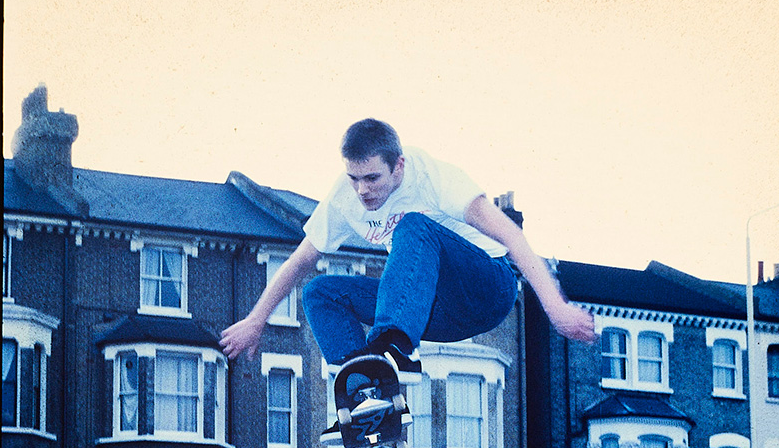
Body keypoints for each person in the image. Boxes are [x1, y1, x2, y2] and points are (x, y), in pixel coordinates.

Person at [219, 117, 595, 373]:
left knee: (413, 226)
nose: (363, 191)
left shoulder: (433, 177)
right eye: (354, 178)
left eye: (373, 178)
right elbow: (300, 260)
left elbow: (511, 236)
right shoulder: (344, 199)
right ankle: (366, 391)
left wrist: (556, 308)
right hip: (433, 311)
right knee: (320, 293)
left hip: (487, 289)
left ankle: (391, 346)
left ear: (398, 166)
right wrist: (256, 320)